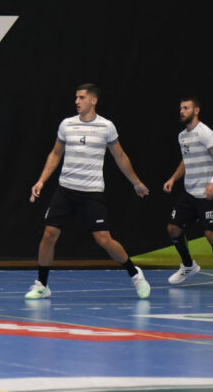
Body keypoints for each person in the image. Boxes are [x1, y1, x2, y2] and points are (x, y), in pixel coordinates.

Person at [28, 83, 150, 300]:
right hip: (65, 190)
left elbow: (120, 156)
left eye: (81, 97)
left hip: (92, 193)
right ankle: (42, 285)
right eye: (76, 97)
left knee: (104, 240)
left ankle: (135, 274)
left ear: (93, 100)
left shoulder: (106, 127)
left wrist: (136, 183)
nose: (77, 101)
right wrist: (41, 181)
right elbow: (55, 154)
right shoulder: (67, 125)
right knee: (49, 234)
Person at [163, 96, 213, 290]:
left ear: (196, 111)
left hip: (208, 192)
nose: (182, 111)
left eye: (186, 108)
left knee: (210, 233)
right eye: (180, 108)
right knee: (173, 228)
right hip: (190, 192)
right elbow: (186, 161)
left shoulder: (205, 133)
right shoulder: (182, 136)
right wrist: (173, 179)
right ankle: (188, 265)